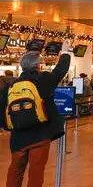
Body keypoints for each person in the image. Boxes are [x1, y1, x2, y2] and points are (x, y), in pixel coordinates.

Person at [0, 51, 70, 187]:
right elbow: (60, 69)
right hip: (40, 135)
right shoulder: (44, 79)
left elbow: (2, 110)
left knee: (15, 171)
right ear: (38, 66)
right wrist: (65, 52)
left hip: (18, 138)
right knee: (36, 173)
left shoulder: (10, 86)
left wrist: (10, 126)